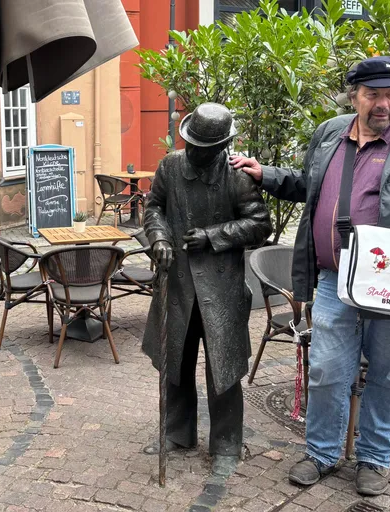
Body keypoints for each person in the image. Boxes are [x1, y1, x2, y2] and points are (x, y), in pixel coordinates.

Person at [230, 56, 390, 495]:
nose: (384, 104)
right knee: (326, 369)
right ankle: (322, 453)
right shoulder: (330, 135)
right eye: (373, 94)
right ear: (353, 96)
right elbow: (310, 186)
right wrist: (266, 175)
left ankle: (375, 458)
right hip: (335, 280)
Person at [143, 102, 272, 476]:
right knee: (175, 361)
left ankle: (227, 442)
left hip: (221, 288)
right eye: (193, 144)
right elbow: (153, 208)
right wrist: (159, 239)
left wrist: (214, 235)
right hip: (178, 284)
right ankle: (177, 432)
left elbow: (259, 224)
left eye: (205, 147)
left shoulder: (237, 177)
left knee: (223, 368)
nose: (196, 152)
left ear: (221, 146)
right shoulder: (170, 167)